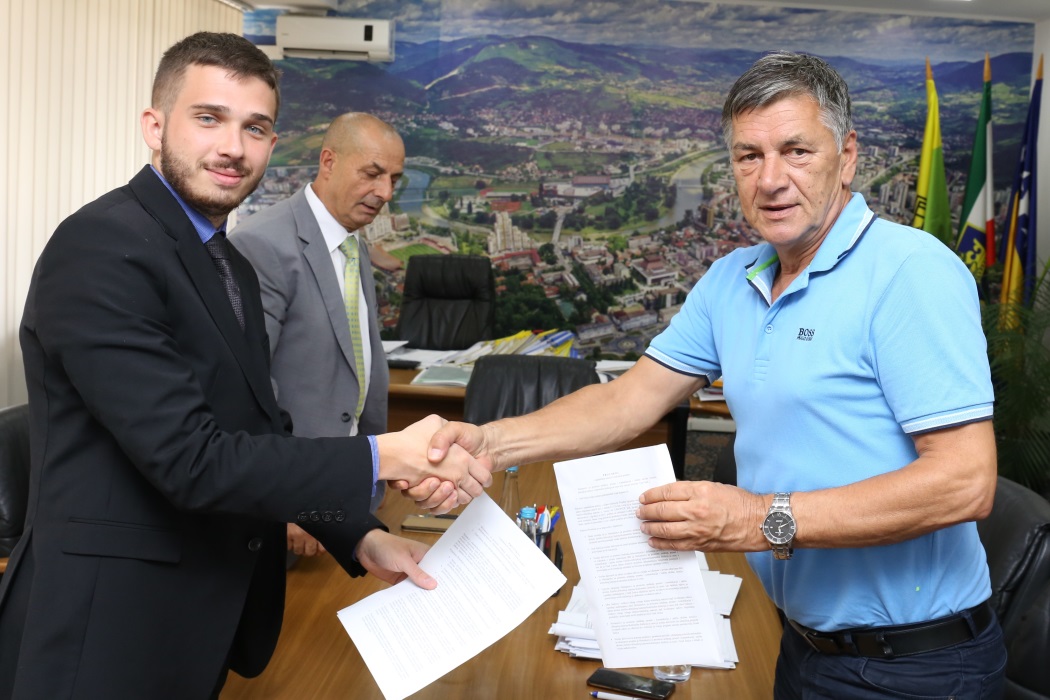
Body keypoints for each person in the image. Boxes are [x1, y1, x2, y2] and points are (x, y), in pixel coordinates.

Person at [418, 51, 1005, 698]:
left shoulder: (909, 272)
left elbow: (965, 482)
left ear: (847, 157)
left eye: (796, 151)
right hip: (803, 644)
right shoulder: (732, 279)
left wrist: (758, 520)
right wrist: (491, 442)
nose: (771, 179)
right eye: (749, 156)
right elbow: (627, 401)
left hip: (917, 664)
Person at [0, 32, 487, 699]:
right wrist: (384, 456)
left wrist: (360, 537)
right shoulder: (101, 247)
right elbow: (191, 459)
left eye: (254, 128)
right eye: (209, 118)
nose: (233, 147)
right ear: (154, 126)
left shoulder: (228, 262)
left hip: (194, 618)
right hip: (106, 629)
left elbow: (260, 433)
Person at [231, 112, 403, 561]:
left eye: (394, 179)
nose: (386, 192)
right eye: (372, 173)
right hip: (288, 513)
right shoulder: (261, 244)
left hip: (345, 501)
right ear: (328, 162)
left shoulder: (353, 243)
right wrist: (291, 499)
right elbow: (247, 393)